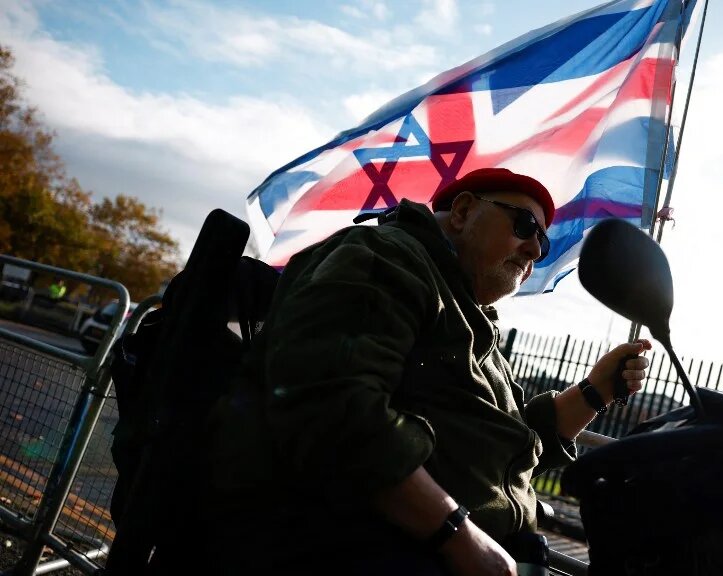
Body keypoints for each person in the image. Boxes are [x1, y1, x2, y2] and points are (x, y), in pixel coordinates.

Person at [208, 168, 651, 575]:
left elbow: (511, 440)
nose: (536, 248)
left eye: (544, 241)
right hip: (364, 547)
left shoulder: (471, 316)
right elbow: (332, 405)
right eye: (525, 226)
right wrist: (458, 536)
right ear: (462, 212)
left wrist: (597, 390)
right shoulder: (385, 257)